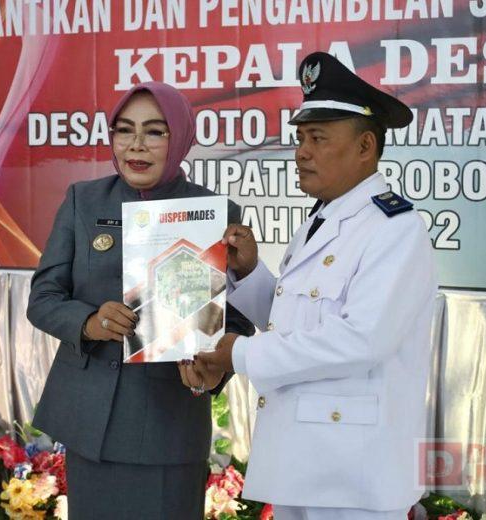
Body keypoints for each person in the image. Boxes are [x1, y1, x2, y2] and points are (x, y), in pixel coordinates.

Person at [195, 52, 438, 519]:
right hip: (302, 460)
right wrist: (251, 274)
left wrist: (240, 354)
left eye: (318, 138)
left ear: (365, 146)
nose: (301, 152)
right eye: (300, 138)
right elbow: (300, 322)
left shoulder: (395, 229)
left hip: (355, 476)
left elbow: (360, 340)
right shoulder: (322, 220)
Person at [26, 81, 253, 519]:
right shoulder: (83, 200)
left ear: (180, 137)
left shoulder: (215, 212)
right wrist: (89, 322)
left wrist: (212, 369)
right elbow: (44, 298)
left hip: (168, 426)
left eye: (154, 131)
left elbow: (237, 318)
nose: (136, 145)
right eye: (124, 130)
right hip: (89, 420)